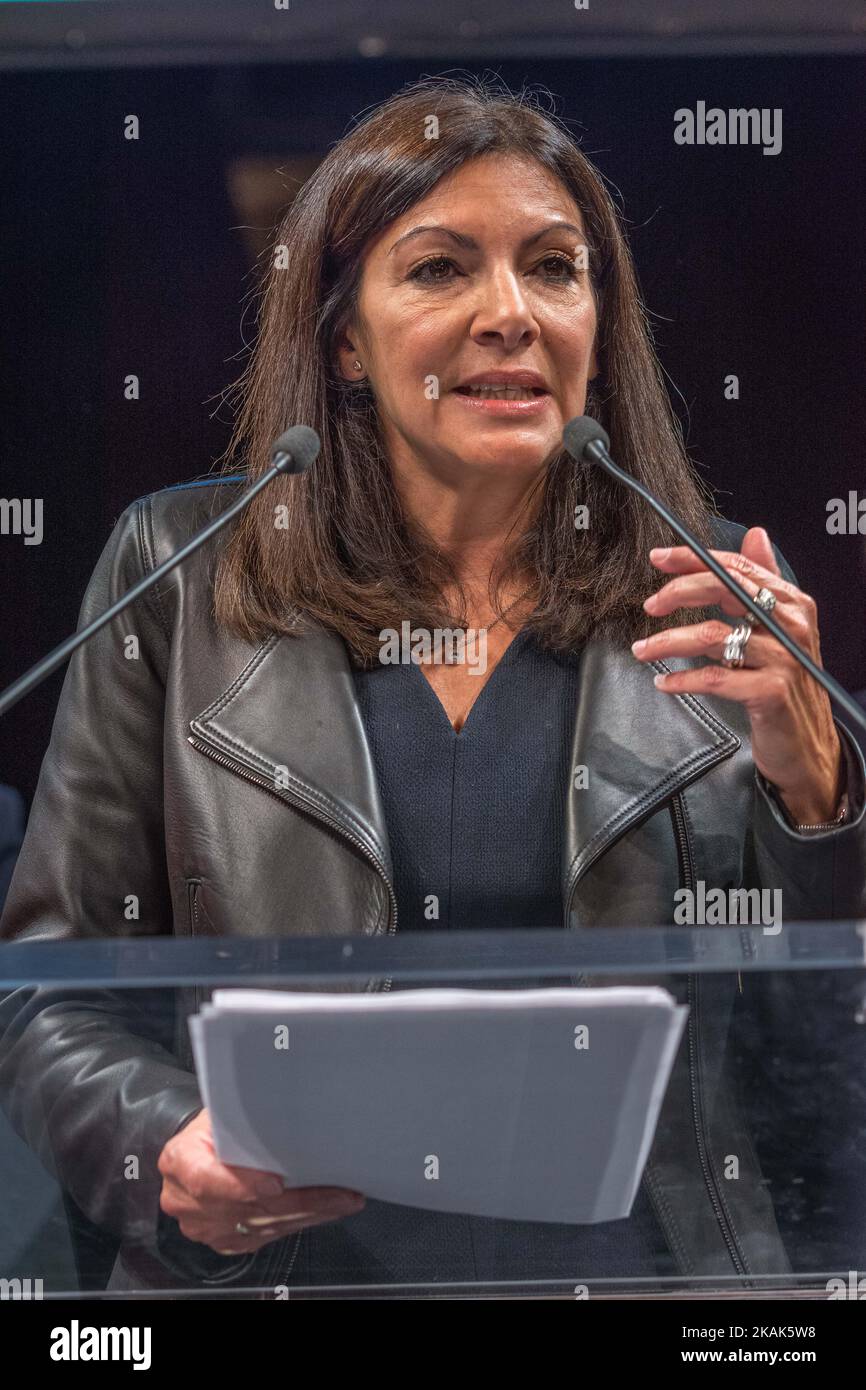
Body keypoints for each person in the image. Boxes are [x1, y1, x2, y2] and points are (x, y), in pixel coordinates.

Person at [1, 74, 864, 1295]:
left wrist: (813, 786)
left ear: (595, 325)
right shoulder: (178, 576)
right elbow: (49, 995)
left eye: (554, 268)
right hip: (293, 1276)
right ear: (344, 340)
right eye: (440, 268)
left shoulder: (706, 595)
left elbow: (809, 1040)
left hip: (645, 1286)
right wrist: (159, 1147)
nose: (509, 313)